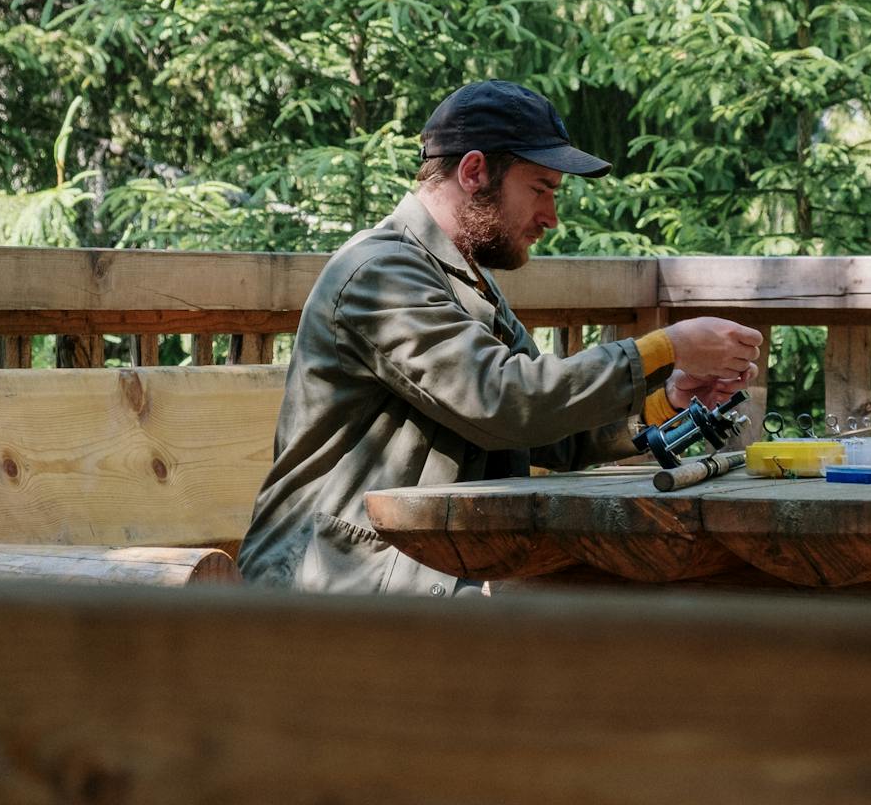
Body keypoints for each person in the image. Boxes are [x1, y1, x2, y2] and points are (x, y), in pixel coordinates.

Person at [238, 79, 763, 594]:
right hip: (330, 589)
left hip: (419, 573)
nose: (551, 217)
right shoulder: (380, 272)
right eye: (540, 189)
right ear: (473, 171)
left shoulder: (463, 280)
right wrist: (664, 348)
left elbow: (545, 428)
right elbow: (502, 399)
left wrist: (667, 402)